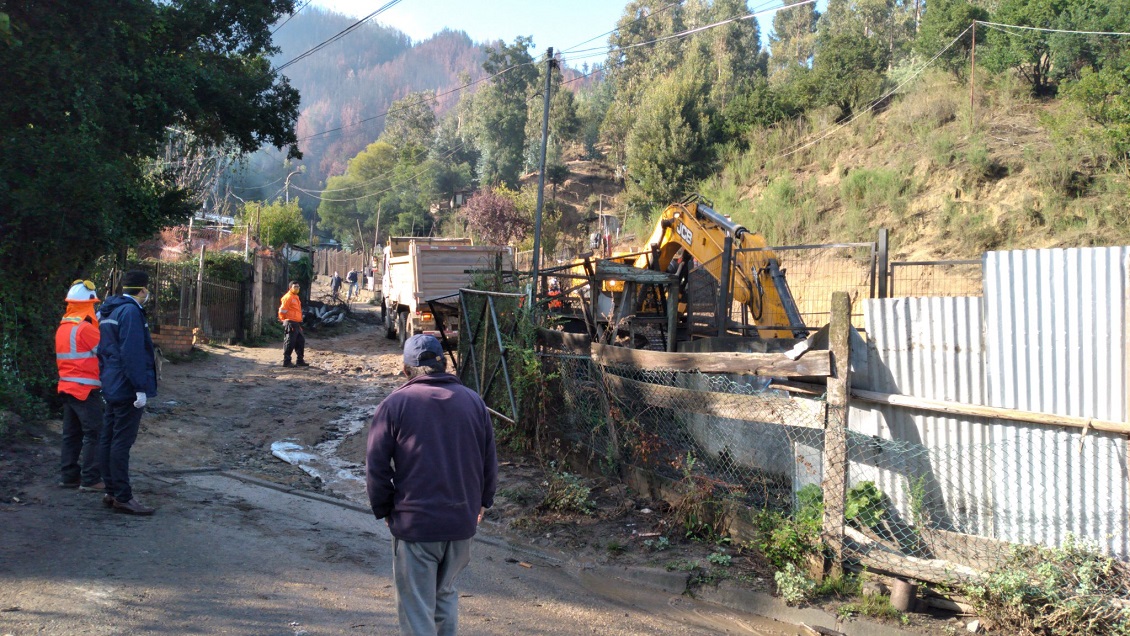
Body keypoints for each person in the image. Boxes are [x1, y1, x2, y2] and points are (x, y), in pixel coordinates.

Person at [366, 334, 497, 636]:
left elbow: (376, 466)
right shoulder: (473, 402)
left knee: (416, 608)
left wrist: (386, 509)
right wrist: (482, 502)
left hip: (416, 524)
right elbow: (489, 459)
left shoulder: (394, 405)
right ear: (443, 365)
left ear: (405, 370)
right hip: (461, 521)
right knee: (445, 597)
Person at [97, 270, 157, 515]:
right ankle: (123, 496)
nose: (147, 294)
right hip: (127, 387)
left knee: (108, 438)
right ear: (142, 290)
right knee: (121, 442)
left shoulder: (109, 309)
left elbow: (102, 350)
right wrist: (140, 388)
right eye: (147, 290)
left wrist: (106, 379)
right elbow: (133, 353)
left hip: (112, 382)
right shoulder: (131, 311)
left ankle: (111, 492)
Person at [56, 280, 104, 492]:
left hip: (67, 388)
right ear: (88, 304)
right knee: (95, 434)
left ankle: (69, 477)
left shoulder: (63, 328)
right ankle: (91, 479)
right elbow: (106, 352)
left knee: (71, 435)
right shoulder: (85, 329)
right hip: (85, 390)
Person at [279, 280, 308, 368]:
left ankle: (300, 360)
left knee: (300, 341)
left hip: (296, 323)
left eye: (298, 287)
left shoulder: (296, 297)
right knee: (290, 342)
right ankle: (286, 361)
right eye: (295, 287)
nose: (297, 288)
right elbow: (282, 310)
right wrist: (284, 320)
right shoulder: (288, 297)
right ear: (290, 288)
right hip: (290, 322)